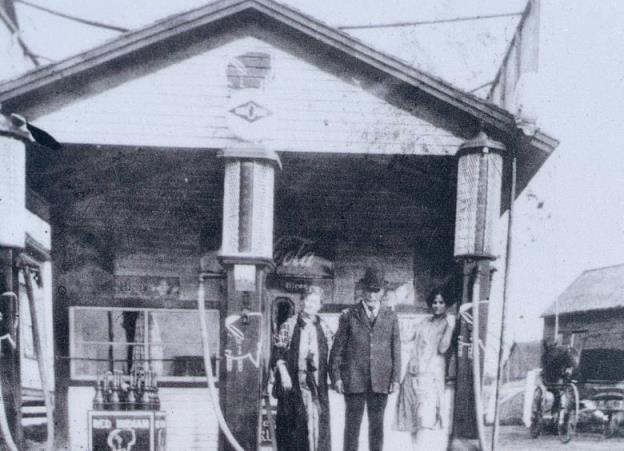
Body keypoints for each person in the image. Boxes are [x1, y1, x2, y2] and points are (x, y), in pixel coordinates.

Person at [330, 266, 401, 451]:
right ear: (362, 290)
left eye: (376, 290)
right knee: (352, 428)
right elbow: (337, 349)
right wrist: (336, 377)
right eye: (369, 289)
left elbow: (396, 350)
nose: (371, 295)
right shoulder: (348, 315)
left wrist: (395, 379)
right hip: (354, 380)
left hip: (381, 381)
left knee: (377, 429)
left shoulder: (391, 317)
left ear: (382, 292)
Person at [272, 285, 333, 451]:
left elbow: (333, 353)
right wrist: (284, 373)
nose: (311, 305)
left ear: (320, 305)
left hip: (317, 388)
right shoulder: (289, 325)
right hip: (294, 387)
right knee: (294, 429)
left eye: (315, 302)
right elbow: (277, 353)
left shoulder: (324, 327)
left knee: (318, 426)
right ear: (302, 302)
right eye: (308, 300)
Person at [394, 289, 455, 451]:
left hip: (431, 378)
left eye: (441, 302)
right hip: (412, 376)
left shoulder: (448, 324)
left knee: (425, 419)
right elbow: (406, 337)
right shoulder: (424, 322)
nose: (437, 305)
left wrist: (450, 327)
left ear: (446, 304)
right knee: (412, 420)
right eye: (434, 302)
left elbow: (443, 348)